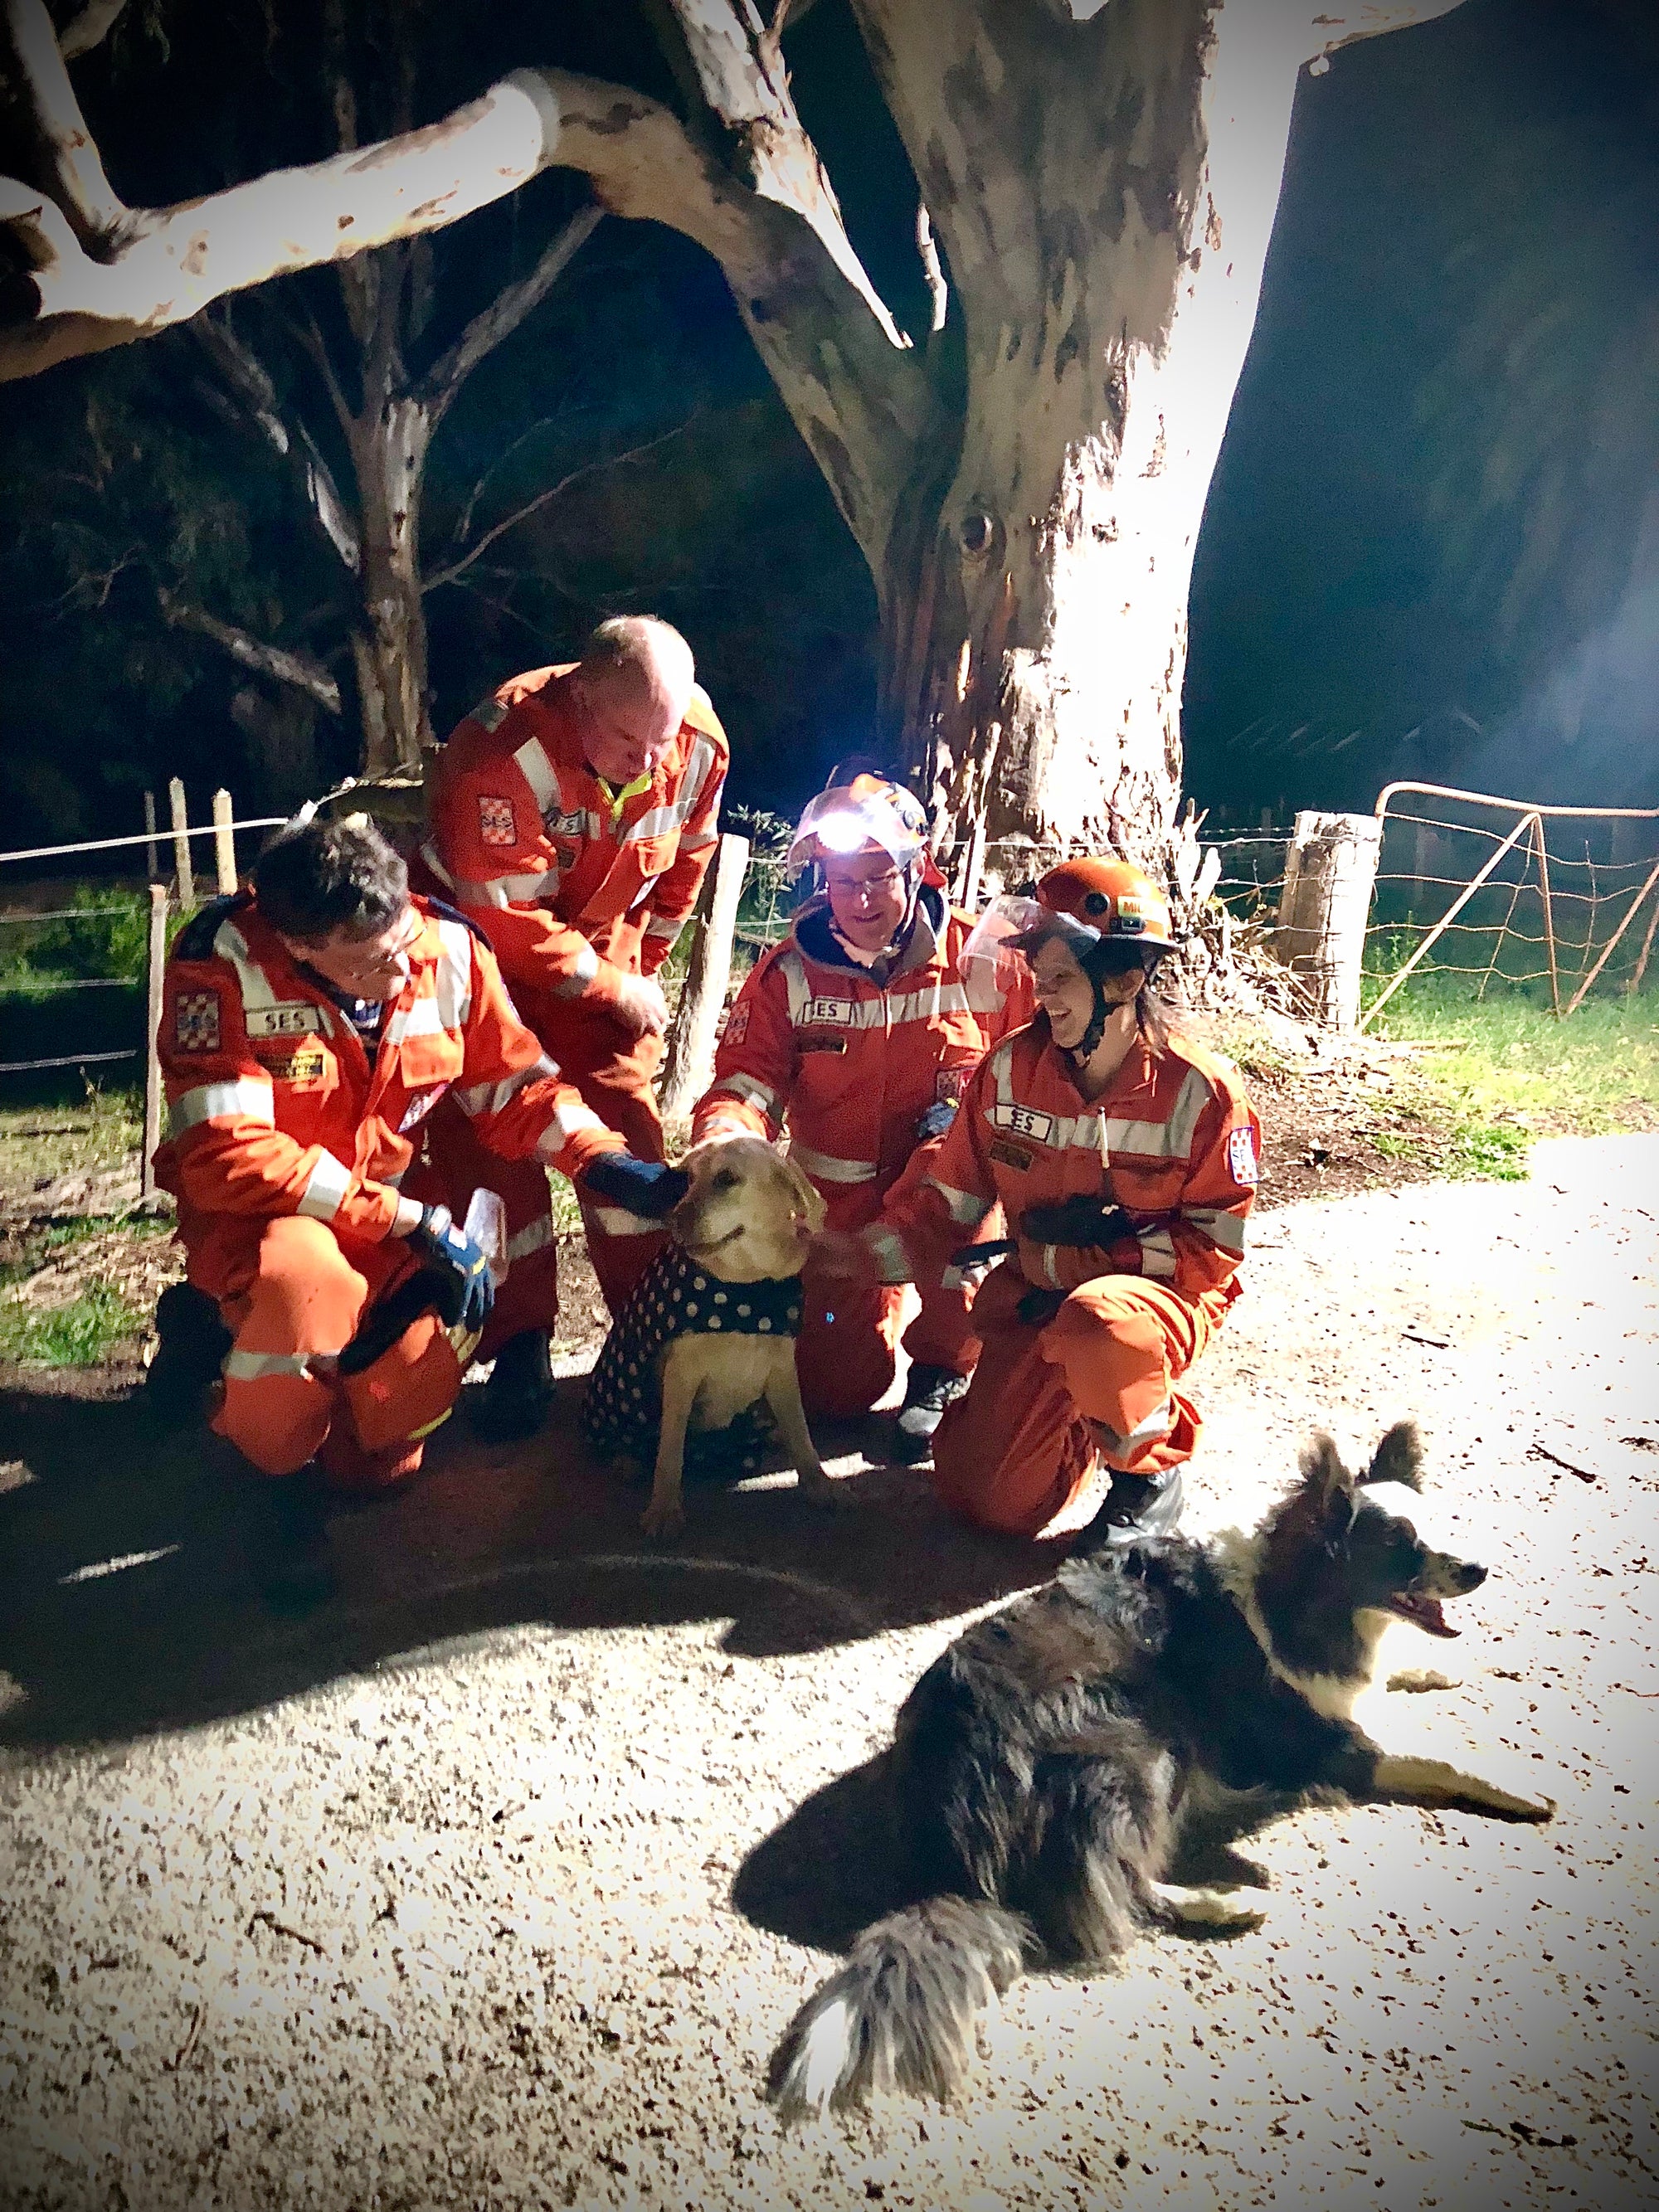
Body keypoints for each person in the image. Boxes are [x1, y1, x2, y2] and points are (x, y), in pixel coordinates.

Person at [146, 817, 627, 1599]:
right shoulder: (222, 966)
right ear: (304, 947)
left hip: (376, 1221)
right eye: (376, 961)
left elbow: (514, 1086)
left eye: (404, 940)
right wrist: (412, 1222)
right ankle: (279, 1486)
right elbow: (225, 1158)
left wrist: (604, 1158)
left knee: (385, 1456)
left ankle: (222, 1340)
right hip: (262, 1222)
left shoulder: (444, 947)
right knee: (300, 1285)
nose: (405, 971)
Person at [810, 856, 1260, 1542]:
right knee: (986, 1499)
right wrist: (848, 1257)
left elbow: (1214, 1250)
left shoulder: (1203, 1094)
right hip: (1039, 1298)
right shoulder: (1009, 1070)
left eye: (1062, 979)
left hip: (1151, 1303)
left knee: (1100, 1325)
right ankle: (1075, 1411)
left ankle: (1149, 1476)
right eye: (1039, 977)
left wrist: (1085, 1262)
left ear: (1129, 978)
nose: (1043, 996)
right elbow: (946, 1208)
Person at [416, 615, 729, 1439]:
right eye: (631, 740)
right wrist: (609, 984)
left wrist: (641, 968)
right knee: (492, 1144)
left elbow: (685, 864)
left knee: (627, 1134)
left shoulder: (691, 739)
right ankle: (518, 1342)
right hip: (486, 953)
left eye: (663, 737)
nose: (652, 760)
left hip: (603, 949)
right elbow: (504, 919)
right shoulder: (497, 753)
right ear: (580, 695)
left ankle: (650, 1332)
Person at [691, 770, 1032, 1460]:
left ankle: (942, 1365)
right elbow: (745, 1080)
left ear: (917, 868)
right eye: (844, 880)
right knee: (833, 1391)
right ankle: (868, 1326)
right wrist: (727, 1140)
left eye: (879, 876)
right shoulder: (788, 974)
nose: (862, 898)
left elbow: (1038, 1079)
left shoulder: (984, 961)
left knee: (961, 1205)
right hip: (836, 1215)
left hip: (952, 1197)